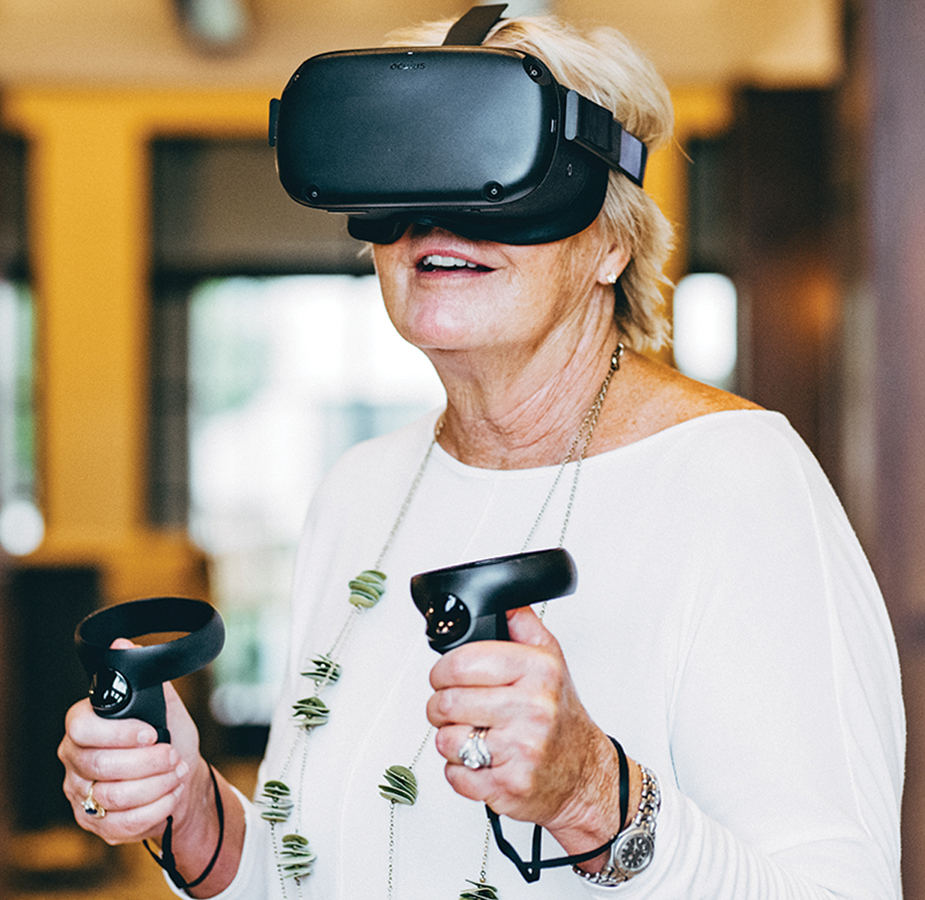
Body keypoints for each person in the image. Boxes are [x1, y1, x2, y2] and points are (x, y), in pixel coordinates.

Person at [58, 9, 904, 900]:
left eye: (492, 168)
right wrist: (190, 809)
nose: (436, 222)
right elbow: (313, 868)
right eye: (402, 175)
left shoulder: (737, 482)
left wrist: (590, 797)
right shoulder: (361, 489)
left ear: (611, 242)